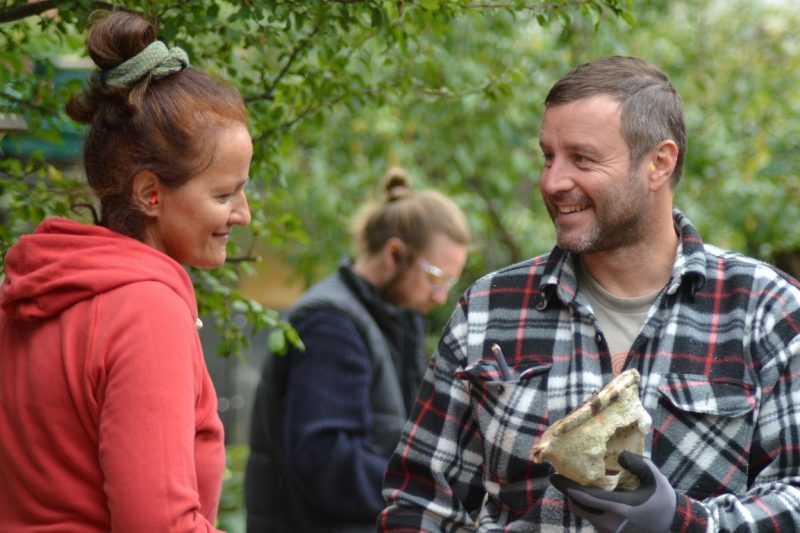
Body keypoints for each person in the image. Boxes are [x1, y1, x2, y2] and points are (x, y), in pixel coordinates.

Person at [379, 55, 800, 531]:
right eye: (548, 156)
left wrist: (685, 523)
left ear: (659, 163)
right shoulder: (487, 310)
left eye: (581, 158)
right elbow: (418, 501)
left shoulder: (766, 309)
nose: (554, 181)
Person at [0, 9, 252, 532]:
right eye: (224, 193)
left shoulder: (32, 286)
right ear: (150, 193)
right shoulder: (145, 310)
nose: (243, 213)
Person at [244, 167, 471, 532]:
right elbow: (325, 463)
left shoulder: (387, 320)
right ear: (395, 254)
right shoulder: (331, 326)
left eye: (449, 282)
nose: (440, 296)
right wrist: (429, 487)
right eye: (434, 277)